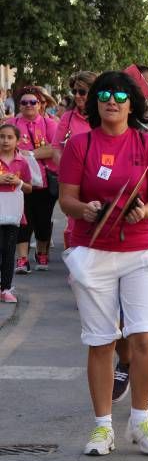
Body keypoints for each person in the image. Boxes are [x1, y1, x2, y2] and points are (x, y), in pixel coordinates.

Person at [58, 71, 148, 456]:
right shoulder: (79, 145)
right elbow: (66, 199)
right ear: (95, 102)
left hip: (141, 249)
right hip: (92, 250)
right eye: (104, 94)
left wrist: (145, 214)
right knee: (101, 341)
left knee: (143, 336)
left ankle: (141, 421)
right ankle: (102, 428)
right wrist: (84, 209)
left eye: (120, 95)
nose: (111, 100)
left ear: (131, 103)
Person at [8, 86, 58, 274]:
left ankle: (41, 251)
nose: (28, 105)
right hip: (19, 183)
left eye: (33, 102)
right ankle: (22, 259)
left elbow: (54, 149)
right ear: (19, 105)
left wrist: (27, 154)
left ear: (39, 105)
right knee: (23, 221)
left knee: (43, 221)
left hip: (44, 183)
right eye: (24, 102)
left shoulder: (50, 124)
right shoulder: (11, 124)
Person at [54, 71, 97, 250]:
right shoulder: (67, 117)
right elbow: (56, 148)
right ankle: (76, 268)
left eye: (82, 92)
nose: (77, 96)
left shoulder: (105, 116)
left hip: (100, 179)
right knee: (75, 226)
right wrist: (69, 173)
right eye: (75, 92)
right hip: (75, 184)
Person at [0, 123, 32, 303]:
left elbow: (29, 188)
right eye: (2, 136)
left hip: (13, 213)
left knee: (9, 250)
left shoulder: (23, 162)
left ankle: (6, 288)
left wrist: (18, 181)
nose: (5, 140)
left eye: (9, 137)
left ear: (17, 141)